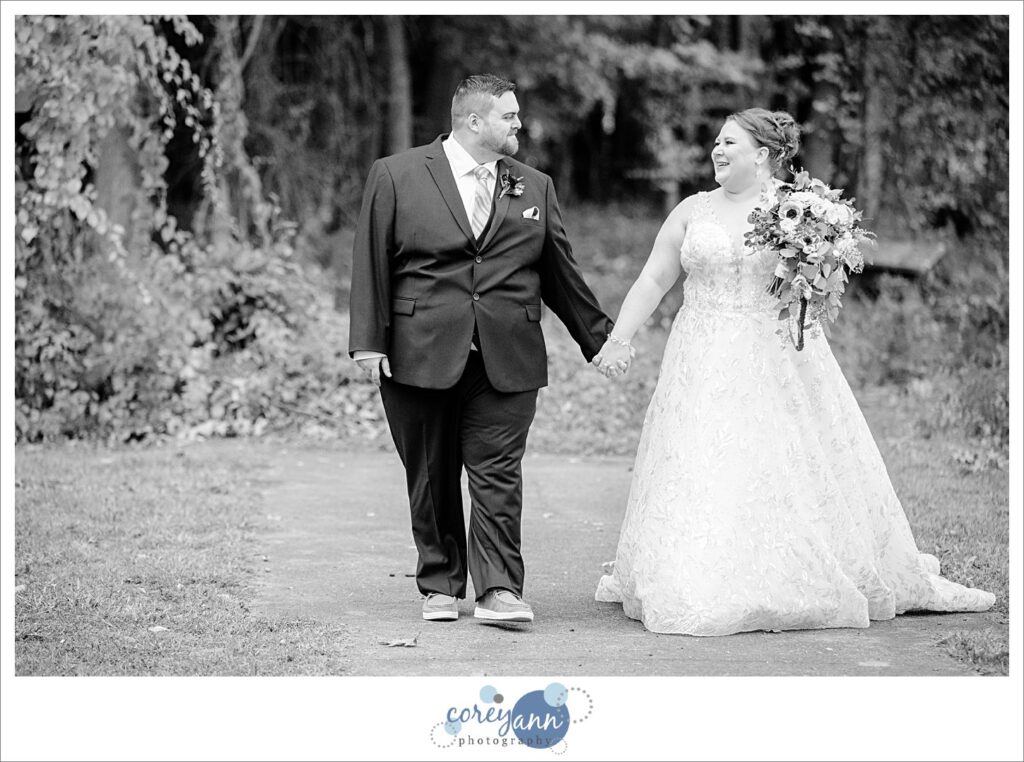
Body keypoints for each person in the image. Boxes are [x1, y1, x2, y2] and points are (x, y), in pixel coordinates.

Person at [591, 108, 995, 635]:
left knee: (781, 457)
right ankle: (695, 569)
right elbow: (653, 278)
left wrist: (817, 268)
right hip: (702, 353)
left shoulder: (804, 210)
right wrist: (619, 338)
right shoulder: (692, 210)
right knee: (700, 457)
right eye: (716, 141)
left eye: (728, 142)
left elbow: (826, 281)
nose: (716, 149)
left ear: (761, 154)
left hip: (777, 353)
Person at [349, 74, 613, 624]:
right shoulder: (396, 175)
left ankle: (499, 591)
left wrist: (602, 341)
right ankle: (441, 583)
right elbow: (370, 260)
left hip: (507, 353)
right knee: (430, 472)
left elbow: (561, 274)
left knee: (498, 473)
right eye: (509, 116)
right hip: (417, 351)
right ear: (473, 121)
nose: (520, 124)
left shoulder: (533, 185)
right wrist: (368, 343)